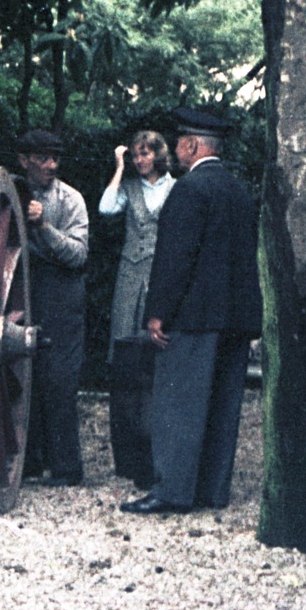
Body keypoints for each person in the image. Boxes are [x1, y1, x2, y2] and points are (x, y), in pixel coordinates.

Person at [121, 108, 262, 514]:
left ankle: (173, 491)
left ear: (192, 146)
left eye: (182, 143)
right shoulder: (238, 190)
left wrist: (158, 312)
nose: (178, 150)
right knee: (222, 404)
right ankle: (212, 491)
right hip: (235, 319)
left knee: (180, 404)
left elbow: (175, 259)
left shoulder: (188, 190)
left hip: (195, 318)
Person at [98, 131, 175, 486]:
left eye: (145, 155)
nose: (139, 161)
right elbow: (105, 209)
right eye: (135, 156)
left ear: (159, 155)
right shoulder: (128, 187)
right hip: (130, 278)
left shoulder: (176, 188)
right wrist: (117, 168)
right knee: (126, 357)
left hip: (161, 277)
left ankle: (161, 451)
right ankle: (128, 457)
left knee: (158, 358)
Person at [15, 129, 89, 486]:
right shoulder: (10, 192)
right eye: (43, 158)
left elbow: (78, 254)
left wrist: (44, 227)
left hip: (62, 292)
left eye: (56, 158)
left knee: (59, 379)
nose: (52, 165)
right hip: (20, 291)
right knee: (21, 374)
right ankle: (27, 462)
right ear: (24, 161)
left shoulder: (71, 200)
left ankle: (66, 468)